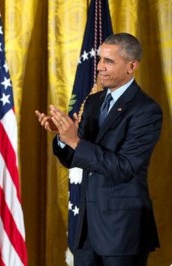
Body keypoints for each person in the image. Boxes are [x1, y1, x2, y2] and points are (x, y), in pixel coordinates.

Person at [36, 33, 162, 266]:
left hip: (122, 232)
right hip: (85, 231)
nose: (100, 68)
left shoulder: (146, 110)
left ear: (131, 66)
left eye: (109, 61)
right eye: (100, 60)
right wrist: (63, 137)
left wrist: (75, 141)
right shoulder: (94, 102)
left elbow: (124, 167)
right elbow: (76, 158)